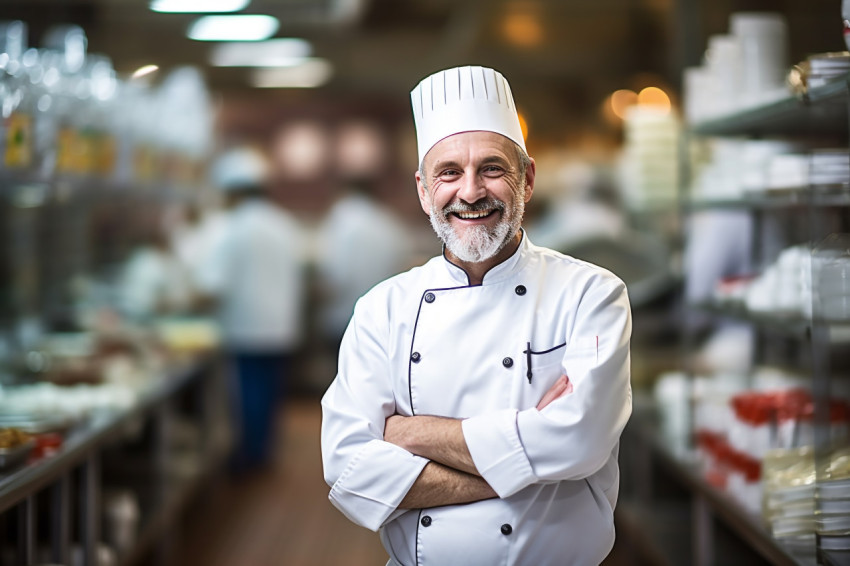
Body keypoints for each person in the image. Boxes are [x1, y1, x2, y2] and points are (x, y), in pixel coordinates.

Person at [321, 66, 632, 565]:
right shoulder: (383, 308)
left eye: (492, 168)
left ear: (526, 179)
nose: (470, 192)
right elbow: (349, 473)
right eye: (449, 172)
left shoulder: (590, 293)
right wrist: (526, 461)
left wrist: (413, 432)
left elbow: (582, 439)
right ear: (424, 190)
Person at [198, 146, 307, 473]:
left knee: (248, 396)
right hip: (281, 324)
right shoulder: (284, 223)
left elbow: (212, 285)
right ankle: (262, 450)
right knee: (269, 393)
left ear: (233, 192)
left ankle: (250, 457)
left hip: (246, 328)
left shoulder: (232, 229)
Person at [316, 176, 413, 350]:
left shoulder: (341, 220)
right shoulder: (388, 221)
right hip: (384, 317)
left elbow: (337, 275)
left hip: (344, 315)